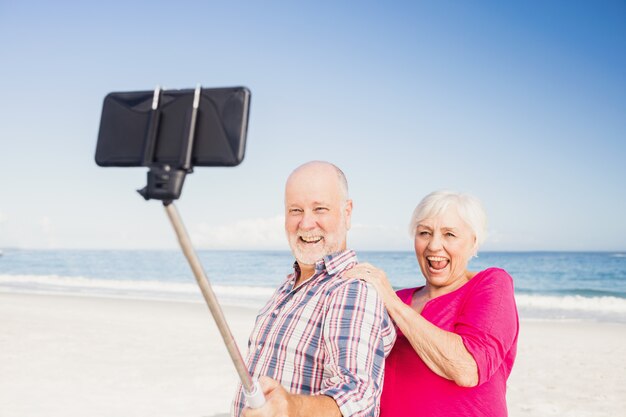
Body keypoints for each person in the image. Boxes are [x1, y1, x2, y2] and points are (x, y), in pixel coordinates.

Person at [233, 161, 396, 417]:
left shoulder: (352, 289)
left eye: (320, 209)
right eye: (295, 210)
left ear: (347, 212)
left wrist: (291, 409)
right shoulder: (289, 286)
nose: (306, 223)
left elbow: (356, 394)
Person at [345, 190, 519, 417]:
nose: (434, 245)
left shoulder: (491, 284)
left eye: (449, 235)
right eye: (424, 233)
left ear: (473, 241)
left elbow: (468, 368)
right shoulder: (400, 297)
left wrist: (391, 301)